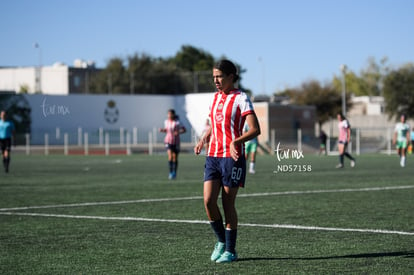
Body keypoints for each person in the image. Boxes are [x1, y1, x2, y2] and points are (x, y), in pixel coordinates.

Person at [194, 60, 261, 263]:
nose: (216, 80)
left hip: (232, 158)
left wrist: (236, 141)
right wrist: (204, 137)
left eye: (219, 76)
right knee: (208, 201)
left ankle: (231, 251)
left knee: (227, 202)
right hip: (213, 156)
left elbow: (255, 129)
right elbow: (216, 125)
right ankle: (221, 241)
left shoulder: (241, 98)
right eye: (214, 77)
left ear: (231, 76)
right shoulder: (215, 98)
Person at [159, 109, 186, 179]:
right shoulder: (166, 122)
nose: (169, 115)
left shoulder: (177, 122)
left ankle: (174, 172)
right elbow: (167, 130)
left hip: (176, 141)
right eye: (168, 114)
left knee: (175, 157)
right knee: (170, 156)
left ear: (173, 114)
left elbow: (184, 129)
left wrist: (178, 132)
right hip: (168, 141)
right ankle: (170, 172)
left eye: (170, 114)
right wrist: (162, 130)